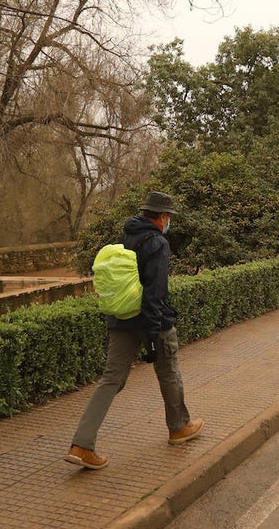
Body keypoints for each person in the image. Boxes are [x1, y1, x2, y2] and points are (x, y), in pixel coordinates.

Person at [65, 191, 204, 470]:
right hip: (152, 321)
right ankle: (179, 427)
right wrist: (154, 334)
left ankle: (82, 445)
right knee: (169, 372)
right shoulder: (158, 243)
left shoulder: (127, 237)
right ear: (163, 217)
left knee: (110, 380)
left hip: (121, 319)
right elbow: (156, 292)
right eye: (169, 218)